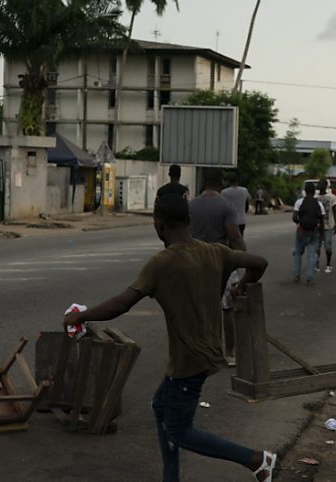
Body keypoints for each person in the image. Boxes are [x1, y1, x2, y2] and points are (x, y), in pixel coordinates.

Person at [64, 194, 276, 482]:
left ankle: (257, 461)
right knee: (160, 406)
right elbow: (259, 263)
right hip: (202, 353)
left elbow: (120, 305)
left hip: (190, 360)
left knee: (179, 431)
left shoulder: (161, 263)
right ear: (188, 221)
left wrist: (80, 315)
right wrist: (239, 286)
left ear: (158, 225)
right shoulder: (215, 252)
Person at [189, 168, 246, 367]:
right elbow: (235, 236)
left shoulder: (191, 205)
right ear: (220, 183)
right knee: (226, 309)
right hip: (221, 265)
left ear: (204, 183)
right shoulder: (226, 206)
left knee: (198, 311)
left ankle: (199, 351)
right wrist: (244, 260)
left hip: (194, 263)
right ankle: (229, 353)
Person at [292, 182, 325, 285]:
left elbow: (294, 217)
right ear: (315, 192)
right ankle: (309, 278)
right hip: (313, 232)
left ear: (305, 191)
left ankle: (297, 275)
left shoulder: (299, 202)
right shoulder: (319, 204)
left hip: (301, 231)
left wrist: (299, 223)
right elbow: (322, 222)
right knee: (312, 255)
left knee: (298, 253)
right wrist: (321, 236)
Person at [316, 179, 336, 273]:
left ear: (325, 186)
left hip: (328, 226)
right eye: (318, 184)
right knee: (317, 247)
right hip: (317, 226)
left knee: (328, 246)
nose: (319, 185)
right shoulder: (315, 197)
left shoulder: (332, 197)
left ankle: (328, 264)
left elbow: (335, 211)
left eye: (321, 184)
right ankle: (316, 264)